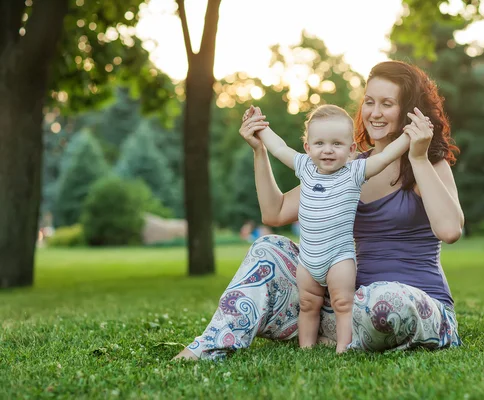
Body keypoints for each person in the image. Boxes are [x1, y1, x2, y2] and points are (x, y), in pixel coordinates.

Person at [174, 60, 464, 361]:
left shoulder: (430, 165)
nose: (374, 113)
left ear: (408, 110)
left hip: (415, 306)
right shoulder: (346, 169)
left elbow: (450, 230)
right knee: (268, 248)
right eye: (369, 102)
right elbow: (275, 213)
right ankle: (212, 346)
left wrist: (417, 157)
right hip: (348, 305)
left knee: (382, 300)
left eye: (387, 104)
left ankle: (342, 335)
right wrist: (259, 152)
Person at [247, 103, 412, 352]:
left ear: (351, 149)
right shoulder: (305, 168)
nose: (328, 150)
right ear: (308, 148)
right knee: (307, 304)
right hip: (308, 258)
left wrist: (409, 135)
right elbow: (279, 147)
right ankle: (306, 348)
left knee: (343, 304)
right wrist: (259, 127)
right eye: (320, 143)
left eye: (337, 144)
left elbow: (386, 157)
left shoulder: (355, 171)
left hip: (339, 258)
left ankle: (343, 349)